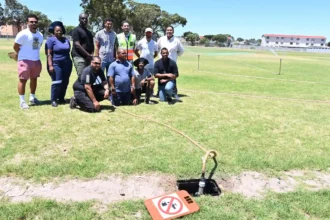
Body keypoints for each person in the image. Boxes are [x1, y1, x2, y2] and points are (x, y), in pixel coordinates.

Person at [13, 14, 43, 109]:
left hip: (36, 60)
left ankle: (32, 98)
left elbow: (38, 46)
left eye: (35, 22)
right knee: (23, 80)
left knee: (34, 79)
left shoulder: (40, 34)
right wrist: (21, 55)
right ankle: (22, 101)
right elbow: (15, 46)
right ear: (27, 23)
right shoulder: (23, 33)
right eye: (31, 22)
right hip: (25, 61)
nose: (33, 23)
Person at [46, 21, 73, 107]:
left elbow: (68, 51)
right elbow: (49, 54)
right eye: (57, 30)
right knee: (57, 82)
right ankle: (53, 99)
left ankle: (61, 98)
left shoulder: (66, 40)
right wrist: (50, 65)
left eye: (60, 30)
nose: (59, 32)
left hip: (67, 63)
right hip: (56, 63)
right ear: (53, 31)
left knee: (65, 81)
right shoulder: (50, 40)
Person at [157, 26, 184, 100]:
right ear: (165, 31)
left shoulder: (177, 40)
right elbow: (157, 48)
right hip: (162, 63)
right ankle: (159, 91)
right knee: (161, 77)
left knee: (173, 77)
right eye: (167, 30)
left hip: (171, 63)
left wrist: (175, 56)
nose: (169, 31)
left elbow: (181, 51)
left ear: (173, 31)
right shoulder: (161, 39)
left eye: (170, 30)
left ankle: (174, 92)